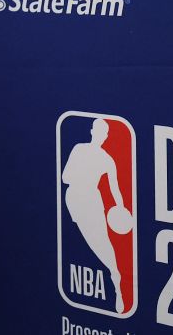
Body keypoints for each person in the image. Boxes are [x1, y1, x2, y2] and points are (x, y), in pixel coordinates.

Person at [60, 118, 125, 314]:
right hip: (73, 199)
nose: (101, 136)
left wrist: (121, 208)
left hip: (93, 201)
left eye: (104, 133)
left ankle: (117, 281)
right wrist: (82, 175)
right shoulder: (78, 149)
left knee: (103, 242)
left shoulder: (107, 160)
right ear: (92, 131)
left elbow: (115, 189)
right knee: (86, 241)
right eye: (98, 131)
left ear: (106, 136)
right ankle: (114, 274)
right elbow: (64, 177)